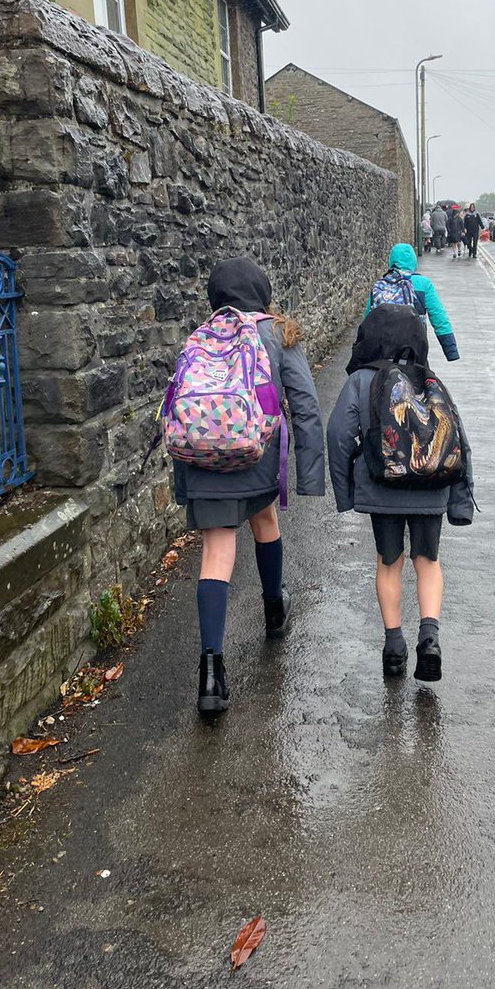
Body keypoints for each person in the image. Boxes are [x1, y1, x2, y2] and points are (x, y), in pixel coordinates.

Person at [171, 257, 325, 715]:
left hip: (203, 460)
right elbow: (306, 405)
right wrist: (311, 477)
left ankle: (212, 675)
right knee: (265, 519)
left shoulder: (201, 336)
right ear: (262, 291)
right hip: (257, 456)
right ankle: (274, 610)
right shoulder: (277, 333)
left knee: (216, 553)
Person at [326, 305, 475, 681]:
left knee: (388, 563)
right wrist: (459, 501)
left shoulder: (362, 380)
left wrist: (346, 493)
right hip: (430, 489)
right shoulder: (430, 381)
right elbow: (459, 441)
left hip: (383, 488)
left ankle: (394, 648)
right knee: (427, 561)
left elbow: (339, 436)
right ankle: (429, 638)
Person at [365, 242, 459, 362]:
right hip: (414, 351)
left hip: (382, 351)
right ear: (413, 261)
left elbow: (367, 319)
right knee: (423, 378)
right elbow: (439, 317)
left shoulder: (380, 285)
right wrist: (451, 350)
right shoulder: (423, 284)